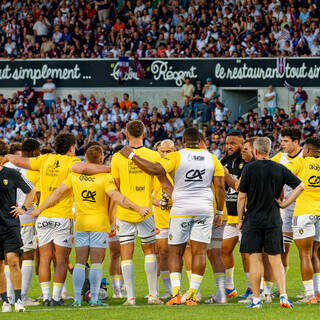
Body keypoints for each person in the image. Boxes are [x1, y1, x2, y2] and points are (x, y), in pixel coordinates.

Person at [31, 145, 150, 307]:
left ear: (85, 159)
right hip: (99, 224)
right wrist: (138, 208)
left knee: (79, 262)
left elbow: (57, 194)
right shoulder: (105, 178)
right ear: (101, 160)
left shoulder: (74, 176)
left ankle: (77, 299)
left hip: (80, 223)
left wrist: (39, 209)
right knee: (96, 262)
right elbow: (117, 197)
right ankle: (94, 297)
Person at [119, 127, 225, 306]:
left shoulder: (177, 156)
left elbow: (154, 168)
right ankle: (191, 295)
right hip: (204, 209)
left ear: (182, 141)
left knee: (176, 251)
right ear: (200, 141)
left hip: (181, 209)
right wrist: (220, 212)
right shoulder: (212, 158)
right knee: (199, 252)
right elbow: (220, 188)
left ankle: (176, 293)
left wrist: (131, 156)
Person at [3, 133, 108, 306]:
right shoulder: (72, 162)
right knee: (60, 260)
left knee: (44, 258)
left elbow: (22, 161)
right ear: (72, 147)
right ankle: (56, 297)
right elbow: (85, 169)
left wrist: (7, 156)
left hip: (43, 217)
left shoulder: (45, 159)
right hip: (62, 216)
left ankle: (45, 298)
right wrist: (110, 169)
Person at [238, 137, 304, 308]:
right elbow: (300, 186)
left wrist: (239, 220)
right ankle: (283, 296)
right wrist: (285, 203)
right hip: (273, 219)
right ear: (269, 151)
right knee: (275, 259)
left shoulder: (249, 169)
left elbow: (241, 196)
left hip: (252, 219)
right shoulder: (279, 168)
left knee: (254, 259)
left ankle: (256, 300)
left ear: (255, 151)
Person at [110, 120, 164, 306]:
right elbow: (159, 184)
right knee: (150, 251)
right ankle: (152, 295)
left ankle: (130, 297)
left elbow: (115, 188)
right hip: (146, 211)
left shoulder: (117, 157)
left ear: (126, 135)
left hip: (124, 212)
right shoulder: (153, 155)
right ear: (144, 133)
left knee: (126, 253)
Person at [0, 140, 36, 313]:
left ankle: (19, 300)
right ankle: (5, 301)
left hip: (10, 225)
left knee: (14, 262)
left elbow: (31, 190)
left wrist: (23, 208)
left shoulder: (12, 173)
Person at [284, 136, 320, 304]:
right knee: (315, 253)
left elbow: (280, 171)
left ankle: (309, 294)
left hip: (304, 212)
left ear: (306, 150)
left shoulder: (301, 162)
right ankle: (318, 292)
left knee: (304, 254)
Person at [221, 132, 251, 300]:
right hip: (229, 214)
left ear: (241, 144)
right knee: (224, 250)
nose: (228, 146)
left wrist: (225, 175)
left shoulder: (246, 162)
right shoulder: (224, 161)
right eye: (227, 143)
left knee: (245, 252)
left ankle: (250, 287)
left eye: (232, 143)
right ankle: (230, 287)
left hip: (244, 215)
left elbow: (239, 187)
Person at [271, 128, 303, 278]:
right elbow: (266, 166)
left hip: (304, 208)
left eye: (286, 141)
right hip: (286, 210)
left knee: (306, 251)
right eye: (281, 141)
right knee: (283, 249)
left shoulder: (306, 156)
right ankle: (281, 286)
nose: (282, 144)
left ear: (296, 142)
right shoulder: (280, 157)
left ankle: (310, 288)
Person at [152, 140, 175, 299]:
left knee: (182, 254)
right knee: (162, 254)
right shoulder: (153, 172)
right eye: (162, 151)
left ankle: (188, 290)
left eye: (169, 151)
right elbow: (146, 196)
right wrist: (159, 203)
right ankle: (164, 289)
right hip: (161, 219)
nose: (165, 155)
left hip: (179, 216)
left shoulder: (178, 168)